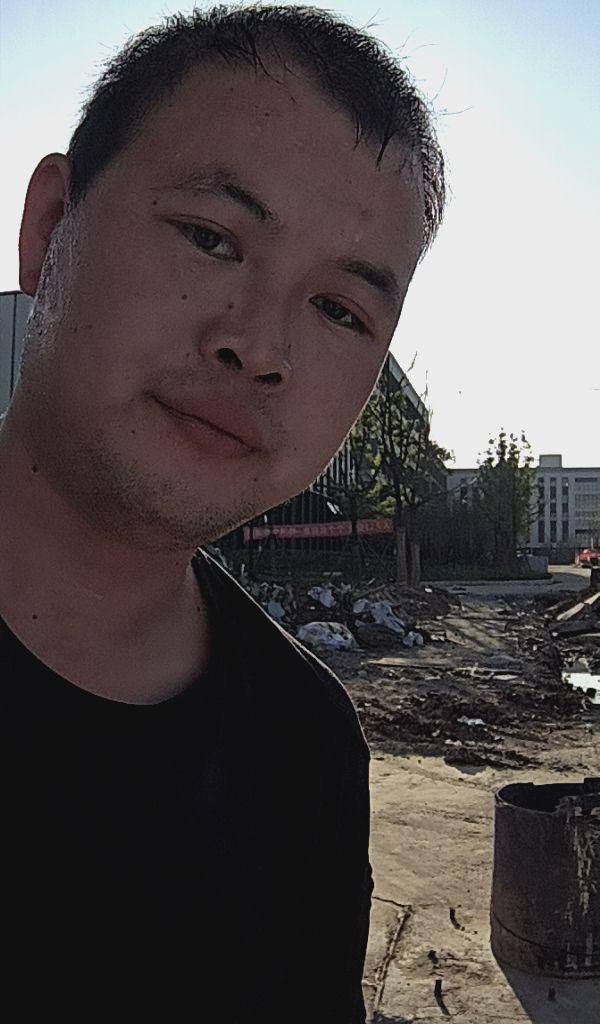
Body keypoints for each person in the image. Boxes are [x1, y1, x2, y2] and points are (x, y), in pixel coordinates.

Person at [0, 5, 444, 1021]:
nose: (261, 346)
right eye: (212, 238)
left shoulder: (306, 751)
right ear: (51, 229)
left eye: (339, 309)